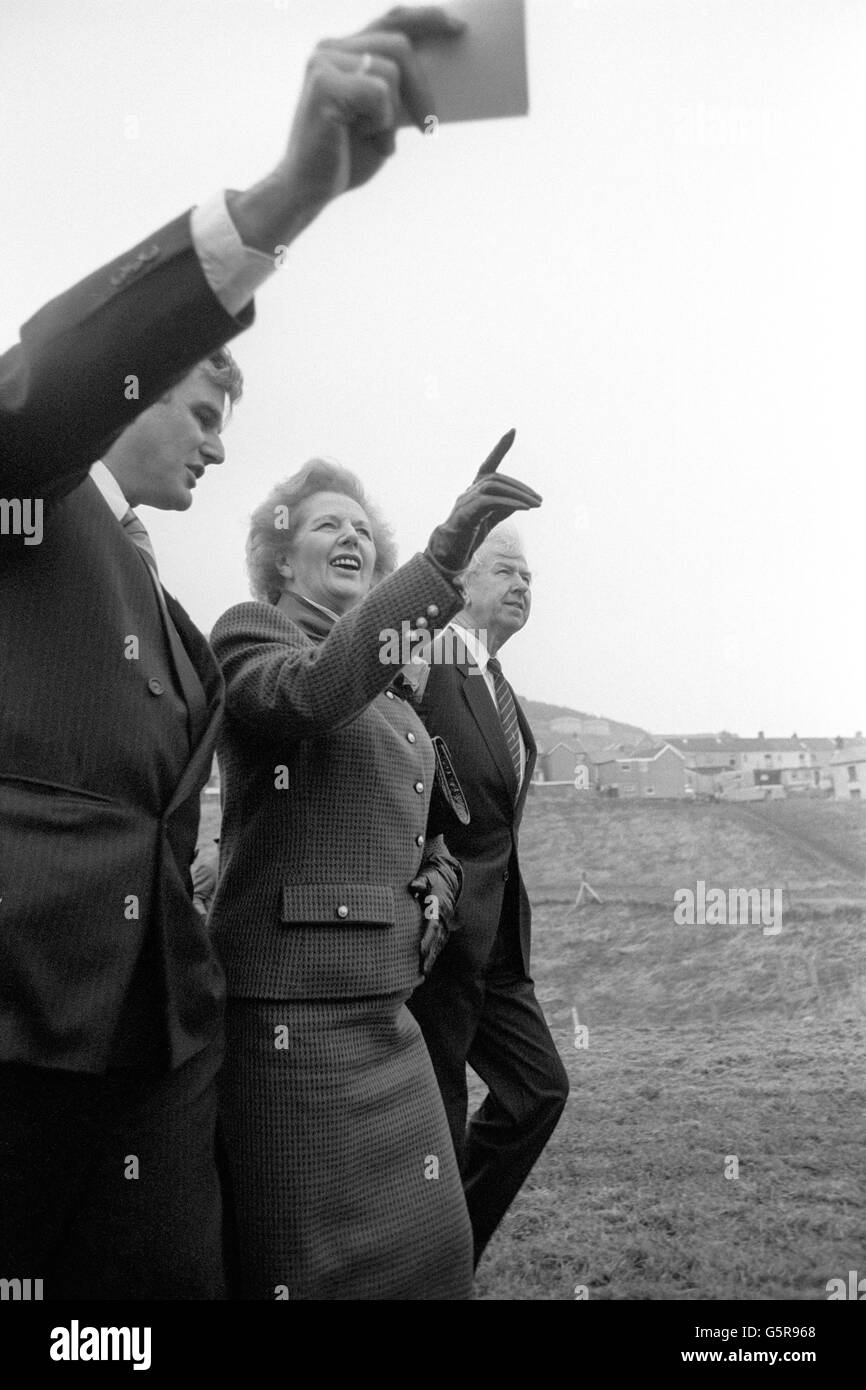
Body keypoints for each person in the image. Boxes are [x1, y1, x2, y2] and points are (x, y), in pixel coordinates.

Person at [0, 6, 465, 1299]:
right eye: (201, 402)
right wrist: (288, 195)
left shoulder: (159, 587)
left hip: (159, 1048)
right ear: (137, 388)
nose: (216, 438)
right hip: (26, 1035)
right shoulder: (22, 486)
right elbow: (52, 377)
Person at [208, 438, 541, 1300]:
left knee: (433, 1260)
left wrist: (435, 873)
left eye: (365, 527)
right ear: (280, 555)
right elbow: (312, 693)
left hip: (388, 1019)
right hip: (292, 1024)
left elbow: (418, 820)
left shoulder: (395, 690)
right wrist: (442, 558)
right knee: (309, 1277)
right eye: (329, 524)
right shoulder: (250, 636)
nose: (354, 536)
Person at [407, 524, 570, 1267]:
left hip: (499, 946)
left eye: (530, 576)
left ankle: (448, 1250)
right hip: (437, 943)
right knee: (437, 1129)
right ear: (462, 585)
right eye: (506, 569)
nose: (524, 585)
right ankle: (424, 1273)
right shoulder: (427, 662)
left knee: (538, 1092)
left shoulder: (499, 686)